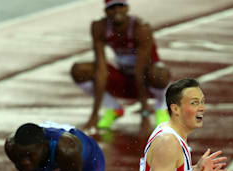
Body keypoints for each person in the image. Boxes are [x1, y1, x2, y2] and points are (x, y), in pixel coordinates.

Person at [70, 0, 171, 130]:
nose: (117, 10)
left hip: (148, 80)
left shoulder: (140, 28)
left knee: (159, 74)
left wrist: (144, 115)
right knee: (80, 70)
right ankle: (113, 108)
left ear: (127, 8)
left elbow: (140, 71)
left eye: (120, 6)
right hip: (124, 77)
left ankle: (161, 108)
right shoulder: (99, 27)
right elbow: (100, 68)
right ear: (106, 11)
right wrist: (94, 114)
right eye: (112, 7)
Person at [139, 78, 229, 171]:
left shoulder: (171, 134)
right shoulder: (168, 143)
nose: (202, 108)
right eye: (194, 103)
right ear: (175, 109)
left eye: (202, 102)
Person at [4, 121, 105, 171]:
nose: (24, 162)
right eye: (20, 156)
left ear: (44, 146)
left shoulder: (66, 150)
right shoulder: (11, 147)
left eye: (29, 155)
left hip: (88, 162)